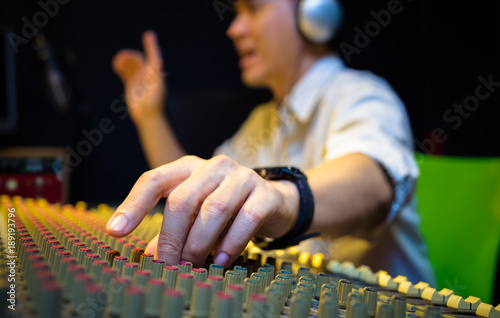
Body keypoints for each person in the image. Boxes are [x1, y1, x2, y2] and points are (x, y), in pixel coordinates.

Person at [107, 0, 434, 284]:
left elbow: (372, 183)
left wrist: (280, 197)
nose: (234, 29)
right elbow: (203, 196)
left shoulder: (364, 94)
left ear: (314, 14)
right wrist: (150, 118)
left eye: (253, 7)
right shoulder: (264, 121)